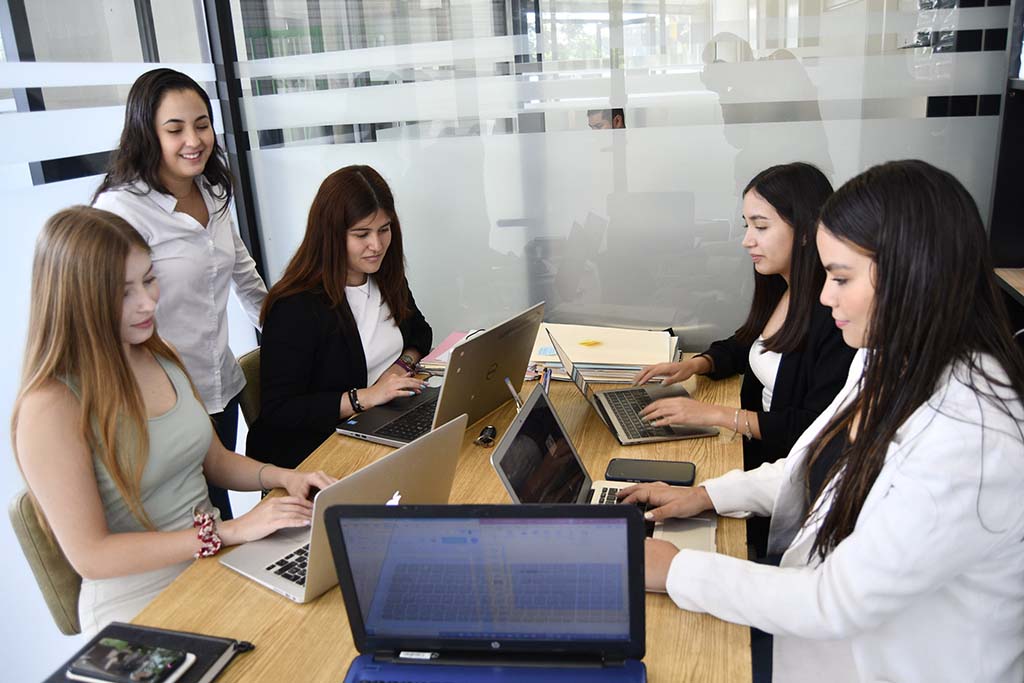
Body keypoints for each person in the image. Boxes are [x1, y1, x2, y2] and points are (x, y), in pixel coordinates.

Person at [622, 160, 1024, 682]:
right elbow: (811, 464)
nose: (825, 295)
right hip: (820, 622)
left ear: (912, 276)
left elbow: (835, 601)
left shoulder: (971, 438)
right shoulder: (885, 357)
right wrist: (706, 496)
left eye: (841, 278)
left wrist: (676, 569)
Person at [11, 207, 333, 636]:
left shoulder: (160, 353)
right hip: (140, 601)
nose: (148, 302)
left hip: (214, 566)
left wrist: (286, 477)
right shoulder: (49, 406)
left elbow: (214, 460)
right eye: (123, 292)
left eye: (149, 279)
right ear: (77, 300)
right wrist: (228, 531)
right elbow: (91, 556)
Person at [93, 68, 268, 519]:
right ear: (147, 135)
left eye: (202, 125)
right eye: (175, 129)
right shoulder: (120, 210)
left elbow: (244, 275)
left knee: (220, 512)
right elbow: (104, 317)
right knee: (195, 524)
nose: (194, 140)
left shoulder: (212, 189)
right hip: (161, 401)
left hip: (219, 386)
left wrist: (290, 333)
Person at [635, 163, 856, 473]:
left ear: (807, 232)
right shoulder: (782, 288)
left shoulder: (838, 318)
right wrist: (695, 365)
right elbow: (747, 345)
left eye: (761, 227)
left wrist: (715, 415)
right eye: (747, 226)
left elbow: (814, 426)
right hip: (752, 455)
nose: (747, 240)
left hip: (783, 472)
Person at [246, 165, 432, 468]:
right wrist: (365, 397)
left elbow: (420, 333)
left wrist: (400, 367)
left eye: (384, 229)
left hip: (381, 424)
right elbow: (281, 409)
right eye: (362, 234)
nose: (377, 245)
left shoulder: (385, 277)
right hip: (318, 450)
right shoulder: (294, 306)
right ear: (330, 235)